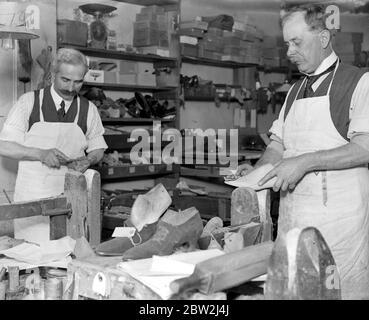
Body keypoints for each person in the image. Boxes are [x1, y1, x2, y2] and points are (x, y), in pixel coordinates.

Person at [232, 4, 369, 299]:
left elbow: (364, 148)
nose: (290, 52)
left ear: (322, 38)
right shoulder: (294, 91)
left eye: (297, 42)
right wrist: (259, 171)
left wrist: (304, 163)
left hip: (339, 228)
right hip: (293, 222)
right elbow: (278, 146)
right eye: (286, 44)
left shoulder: (359, 82)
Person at [0, 48, 108, 202]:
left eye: (78, 82)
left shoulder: (89, 109)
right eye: (65, 80)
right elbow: (4, 147)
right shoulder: (28, 102)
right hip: (33, 198)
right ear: (52, 75)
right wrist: (40, 154)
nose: (71, 88)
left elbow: (98, 149)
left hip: (73, 198)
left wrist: (88, 160)